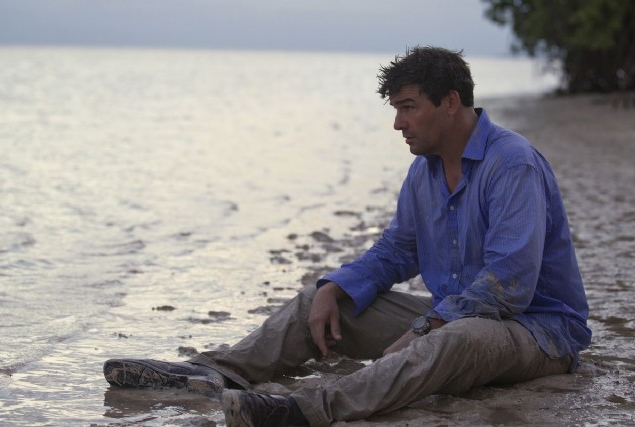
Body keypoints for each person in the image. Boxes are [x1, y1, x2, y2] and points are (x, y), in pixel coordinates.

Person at [103, 46, 591, 427]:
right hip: (454, 315)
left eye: (408, 108)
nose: (397, 123)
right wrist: (336, 286)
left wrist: (427, 327)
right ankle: (217, 372)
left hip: (538, 332)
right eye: (396, 109)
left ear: (449, 102)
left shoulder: (513, 163)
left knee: (456, 337)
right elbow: (398, 250)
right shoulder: (423, 171)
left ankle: (307, 409)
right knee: (320, 300)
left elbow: (508, 284)